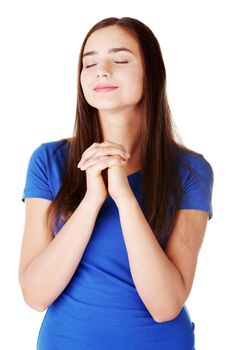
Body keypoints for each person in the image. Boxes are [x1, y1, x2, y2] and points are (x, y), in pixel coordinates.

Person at [18, 17, 214, 350]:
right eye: (89, 62)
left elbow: (165, 305)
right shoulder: (48, 161)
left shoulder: (190, 170)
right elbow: (36, 295)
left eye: (120, 59)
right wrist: (93, 199)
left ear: (151, 73)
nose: (101, 70)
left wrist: (124, 197)